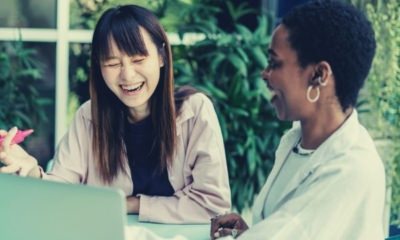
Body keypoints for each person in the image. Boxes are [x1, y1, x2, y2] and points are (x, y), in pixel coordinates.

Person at [0, 4, 231, 224]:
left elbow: (213, 204)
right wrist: (32, 172)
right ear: (99, 67)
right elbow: (62, 194)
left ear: (161, 57)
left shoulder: (195, 110)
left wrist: (132, 204)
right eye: (112, 63)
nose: (127, 76)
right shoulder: (89, 116)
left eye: (138, 59)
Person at [209, 1, 385, 239]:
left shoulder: (350, 168)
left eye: (274, 63)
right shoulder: (295, 143)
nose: (265, 74)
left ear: (318, 75)